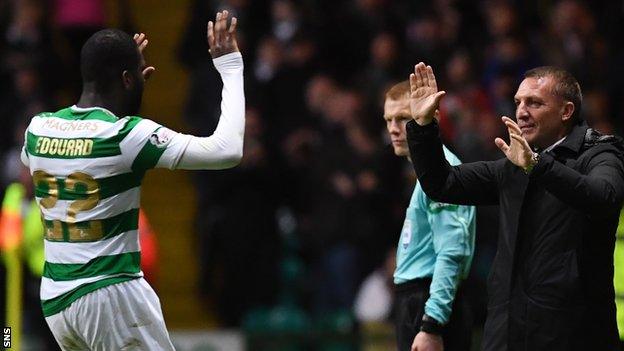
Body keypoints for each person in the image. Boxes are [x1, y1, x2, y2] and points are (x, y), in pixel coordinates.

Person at [20, 10, 244, 350]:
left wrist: (126, 81)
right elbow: (226, 150)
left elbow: (78, 145)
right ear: (127, 80)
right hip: (109, 293)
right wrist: (231, 67)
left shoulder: (38, 129)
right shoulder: (124, 136)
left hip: (56, 301)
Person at [405, 62, 624, 351]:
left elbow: (604, 197)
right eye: (518, 102)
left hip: (572, 333)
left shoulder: (600, 153)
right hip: (507, 330)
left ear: (566, 111)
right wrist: (423, 128)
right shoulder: (514, 165)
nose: (521, 111)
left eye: (534, 103)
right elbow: (442, 184)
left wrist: (537, 166)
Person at [382, 80, 476, 351]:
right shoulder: (425, 172)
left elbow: (452, 252)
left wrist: (431, 324)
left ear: (424, 116)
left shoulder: (443, 171)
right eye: (388, 120)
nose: (393, 128)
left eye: (402, 118)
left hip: (429, 305)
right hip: (418, 302)